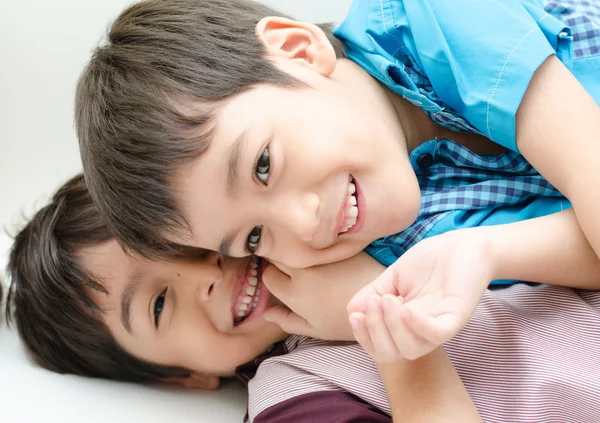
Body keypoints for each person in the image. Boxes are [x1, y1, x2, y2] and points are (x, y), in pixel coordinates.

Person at [74, 0, 600, 357]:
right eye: (254, 238)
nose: (302, 224)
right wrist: (485, 252)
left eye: (263, 165)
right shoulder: (391, 241)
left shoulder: (427, 20)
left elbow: (589, 165)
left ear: (297, 51)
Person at [6, 174, 600, 422]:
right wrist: (379, 318)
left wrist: (487, 252)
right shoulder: (293, 396)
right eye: (159, 305)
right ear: (177, 378)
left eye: (184, 241)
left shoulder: (365, 219)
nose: (204, 277)